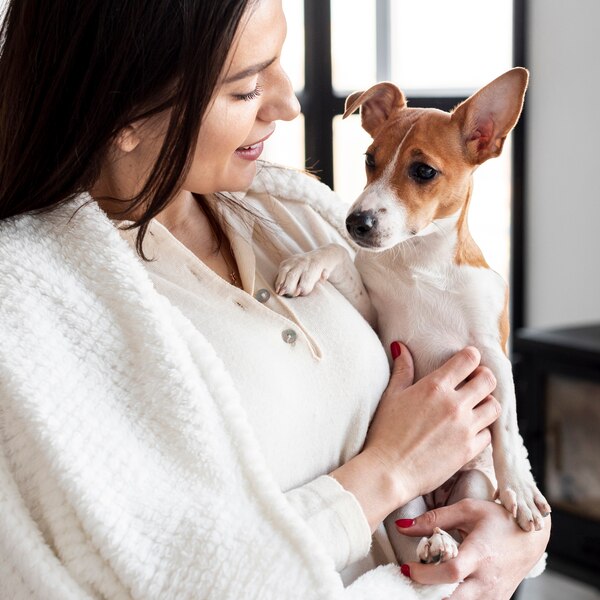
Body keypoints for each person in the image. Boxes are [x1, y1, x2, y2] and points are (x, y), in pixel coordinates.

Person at [0, 0, 550, 598]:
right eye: (245, 88)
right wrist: (388, 471)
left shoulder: (294, 217)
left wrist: (513, 536)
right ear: (123, 112)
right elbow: (170, 579)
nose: (289, 105)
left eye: (281, 62)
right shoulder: (36, 306)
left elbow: (466, 407)